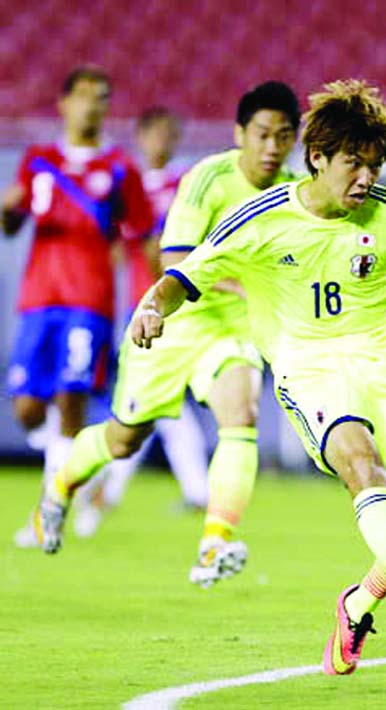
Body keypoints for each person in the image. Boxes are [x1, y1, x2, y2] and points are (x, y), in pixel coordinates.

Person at [38, 78, 386, 674]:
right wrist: (150, 308)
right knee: (357, 463)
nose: (366, 178)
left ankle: (359, 600)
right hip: (307, 367)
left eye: (374, 165)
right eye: (354, 164)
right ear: (317, 158)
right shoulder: (253, 211)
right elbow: (184, 272)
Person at [30, 81, 301, 589]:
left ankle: (214, 542)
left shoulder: (295, 194)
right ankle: (61, 484)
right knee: (123, 439)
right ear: (240, 132)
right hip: (172, 322)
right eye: (262, 133)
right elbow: (174, 261)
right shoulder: (207, 179)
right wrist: (246, 284)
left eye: (283, 136)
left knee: (240, 416)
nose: (271, 146)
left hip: (233, 331)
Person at [2, 65, 153, 547]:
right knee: (27, 408)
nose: (93, 105)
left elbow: (145, 235)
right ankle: (78, 473)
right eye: (85, 96)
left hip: (88, 301)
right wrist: (7, 210)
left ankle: (51, 510)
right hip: (38, 299)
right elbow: (12, 225)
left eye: (102, 98)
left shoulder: (120, 169)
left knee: (71, 400)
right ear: (64, 103)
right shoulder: (38, 160)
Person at [74, 107, 211, 537]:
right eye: (156, 133)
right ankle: (188, 491)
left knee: (154, 406)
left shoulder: (184, 183)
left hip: (182, 305)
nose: (163, 142)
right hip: (140, 307)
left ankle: (103, 493)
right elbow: (114, 243)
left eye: (171, 133)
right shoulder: (126, 186)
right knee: (153, 407)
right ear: (141, 136)